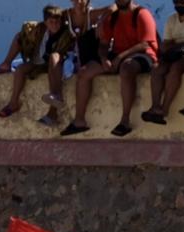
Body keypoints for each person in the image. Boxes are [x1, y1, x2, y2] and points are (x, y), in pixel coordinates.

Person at [60, 0, 159, 137]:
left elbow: (144, 44)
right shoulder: (113, 17)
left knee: (126, 68)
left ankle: (125, 121)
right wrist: (103, 58)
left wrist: (120, 58)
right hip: (118, 55)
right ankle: (79, 121)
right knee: (84, 72)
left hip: (142, 55)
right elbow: (104, 44)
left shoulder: (142, 14)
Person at [0, 5, 74, 128]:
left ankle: (53, 110)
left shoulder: (66, 34)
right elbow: (26, 35)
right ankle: (13, 101)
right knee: (20, 68)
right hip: (38, 62)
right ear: (45, 22)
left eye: (57, 22)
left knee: (53, 58)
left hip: (55, 64)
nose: (55, 25)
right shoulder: (39, 30)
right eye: (51, 22)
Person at [141, 0, 184, 125]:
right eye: (176, 2)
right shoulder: (171, 19)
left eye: (182, 2)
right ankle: (155, 106)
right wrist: (177, 46)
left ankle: (165, 108)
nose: (179, 5)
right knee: (157, 69)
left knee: (175, 68)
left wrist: (178, 46)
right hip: (176, 51)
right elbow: (165, 45)